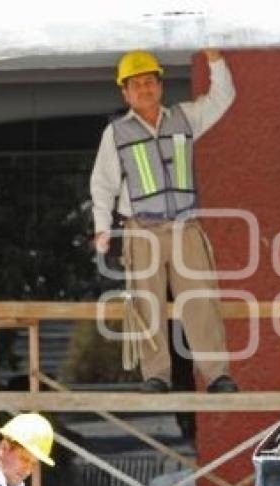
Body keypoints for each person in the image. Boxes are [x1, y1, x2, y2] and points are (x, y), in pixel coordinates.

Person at [90, 49, 238, 394]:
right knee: (146, 304)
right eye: (135, 85)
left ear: (160, 85)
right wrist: (101, 227)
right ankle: (156, 376)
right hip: (141, 230)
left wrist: (215, 59)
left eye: (149, 82)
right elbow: (103, 183)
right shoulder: (116, 134)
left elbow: (223, 97)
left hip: (185, 227)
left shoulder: (184, 118)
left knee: (201, 300)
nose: (143, 89)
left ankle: (217, 375)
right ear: (124, 92)